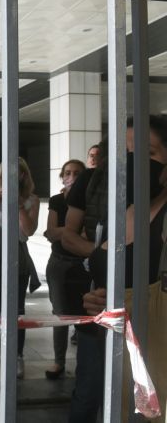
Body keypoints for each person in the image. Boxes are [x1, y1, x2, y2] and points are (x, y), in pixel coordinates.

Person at [65, 116, 167, 422]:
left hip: (156, 362)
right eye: (125, 153)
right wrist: (101, 299)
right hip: (119, 353)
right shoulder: (124, 213)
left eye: (147, 153)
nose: (133, 162)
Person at [0, 157, 40, 378]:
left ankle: (17, 355)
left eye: (17, 172)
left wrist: (17, 204)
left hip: (18, 255)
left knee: (17, 309)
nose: (12, 177)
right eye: (6, 173)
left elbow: (27, 232)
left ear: (24, 175)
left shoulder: (32, 200)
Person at [43, 159, 87, 380]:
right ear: (62, 177)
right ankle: (58, 361)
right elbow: (50, 233)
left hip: (83, 263)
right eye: (68, 173)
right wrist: (73, 232)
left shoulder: (89, 200)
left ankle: (84, 364)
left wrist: (64, 232)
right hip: (59, 262)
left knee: (84, 314)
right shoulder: (57, 200)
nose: (72, 177)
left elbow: (89, 235)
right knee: (60, 313)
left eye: (77, 173)